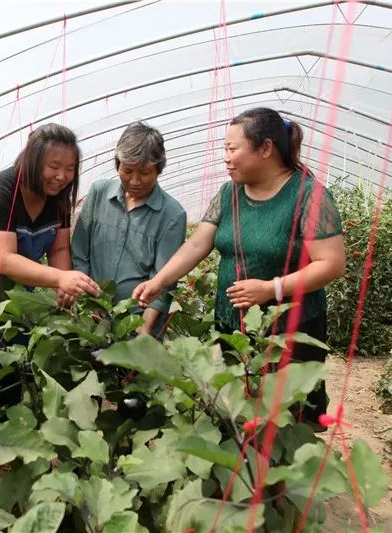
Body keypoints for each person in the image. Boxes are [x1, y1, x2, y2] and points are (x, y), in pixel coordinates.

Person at [133, 107, 345, 426]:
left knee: (287, 422)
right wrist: (159, 281)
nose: (226, 157)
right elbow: (197, 244)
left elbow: (331, 264)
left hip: (290, 331)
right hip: (233, 326)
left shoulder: (308, 196)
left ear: (266, 148)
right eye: (224, 149)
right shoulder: (229, 192)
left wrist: (272, 288)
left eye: (233, 149)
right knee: (236, 413)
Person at [0, 123, 100, 419]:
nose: (62, 176)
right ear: (32, 161)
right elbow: (4, 259)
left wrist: (63, 285)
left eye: (70, 169)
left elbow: (58, 248)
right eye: (54, 166)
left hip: (16, 298)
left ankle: (4, 443)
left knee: (12, 367)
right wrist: (61, 277)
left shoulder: (58, 200)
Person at [71, 121, 186, 337]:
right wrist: (87, 300)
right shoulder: (98, 193)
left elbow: (163, 280)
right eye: (127, 170)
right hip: (90, 314)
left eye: (144, 172)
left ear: (158, 169)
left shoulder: (172, 215)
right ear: (117, 165)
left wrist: (144, 328)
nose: (134, 180)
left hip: (137, 320)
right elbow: (79, 255)